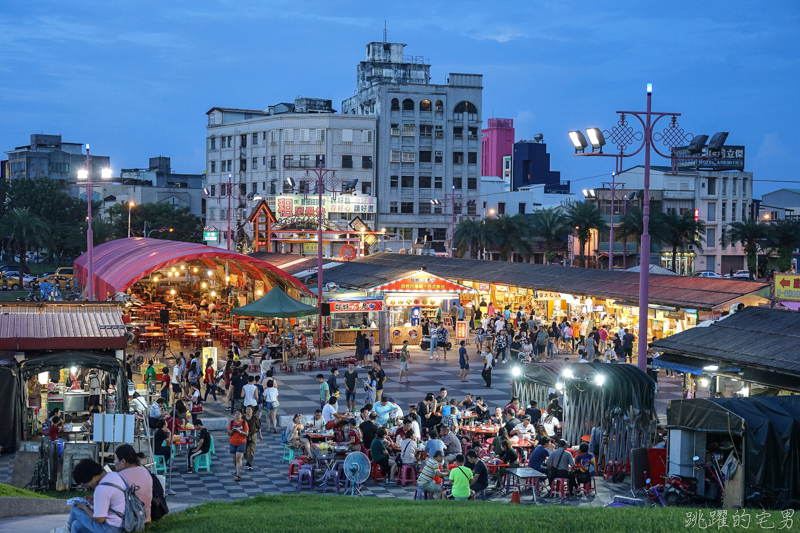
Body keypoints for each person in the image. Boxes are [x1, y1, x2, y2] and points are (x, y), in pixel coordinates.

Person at [62, 458, 127, 533]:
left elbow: (99, 519)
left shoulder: (101, 489)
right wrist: (95, 501)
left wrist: (84, 508)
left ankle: (66, 530)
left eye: (86, 484)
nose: (88, 486)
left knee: (75, 509)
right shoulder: (114, 475)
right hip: (123, 524)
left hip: (111, 528)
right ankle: (69, 529)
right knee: (76, 525)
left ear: (92, 477)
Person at [113, 444, 153, 523]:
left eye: (115, 459)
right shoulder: (145, 470)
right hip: (146, 516)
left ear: (123, 461)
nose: (114, 462)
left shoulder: (120, 476)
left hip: (129, 519)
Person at [228, 410, 248, 482]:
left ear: (241, 415)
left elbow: (246, 434)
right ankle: (237, 469)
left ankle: (238, 475)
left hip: (241, 442)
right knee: (234, 459)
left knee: (238, 457)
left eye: (238, 414)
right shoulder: (232, 422)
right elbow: (228, 433)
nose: (237, 415)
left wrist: (239, 431)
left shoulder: (244, 423)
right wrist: (232, 431)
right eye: (236, 413)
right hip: (233, 442)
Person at [243, 405, 262, 471]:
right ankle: (248, 460)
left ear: (252, 411)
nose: (248, 411)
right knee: (245, 451)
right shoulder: (243, 418)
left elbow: (258, 427)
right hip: (245, 435)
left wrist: (260, 435)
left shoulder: (255, 418)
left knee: (252, 449)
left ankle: (249, 463)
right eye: (247, 409)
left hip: (253, 435)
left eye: (249, 409)